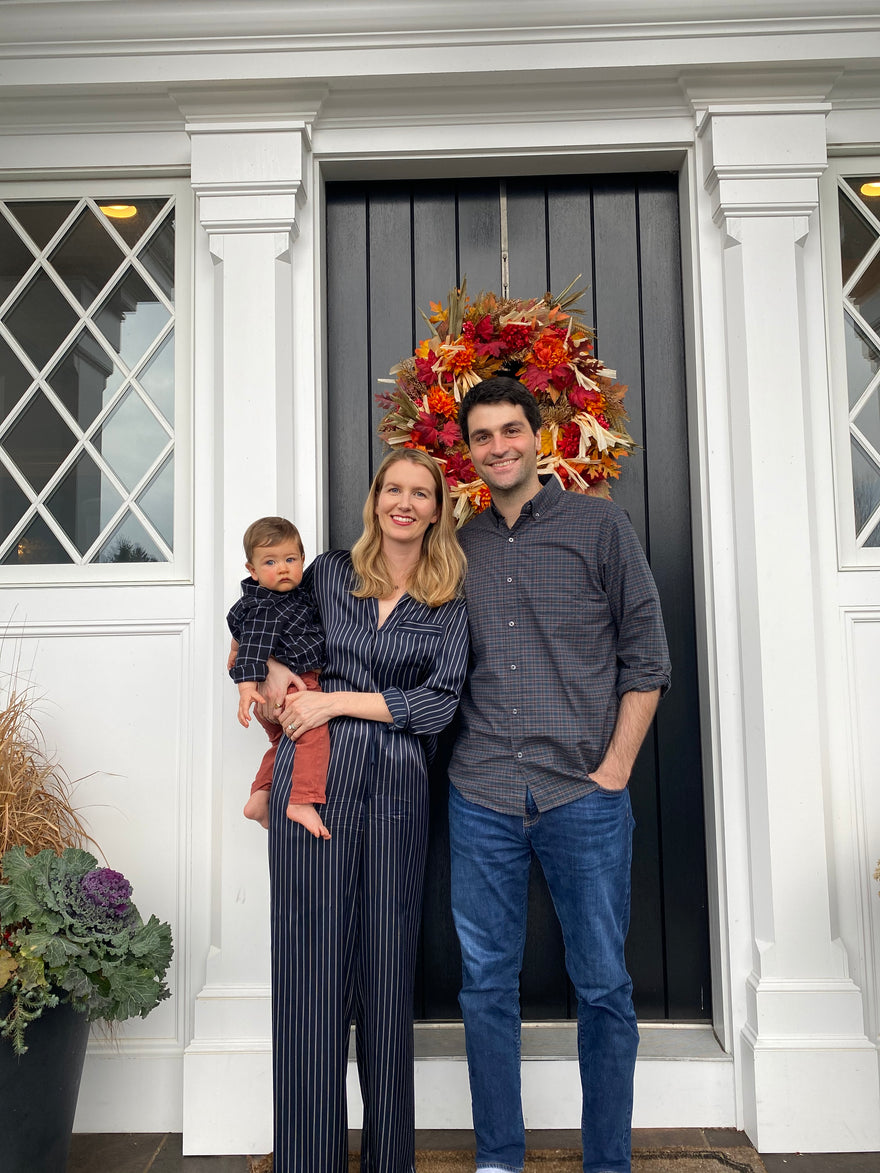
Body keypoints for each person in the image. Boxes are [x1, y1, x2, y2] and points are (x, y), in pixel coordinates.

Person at [447, 376, 671, 1173]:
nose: (499, 446)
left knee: (605, 985)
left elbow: (647, 657)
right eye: (483, 436)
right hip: (482, 795)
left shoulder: (600, 525)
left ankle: (607, 1162)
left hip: (584, 795)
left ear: (539, 436)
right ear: (467, 450)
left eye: (512, 430)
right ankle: (499, 1157)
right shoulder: (459, 543)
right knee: (484, 987)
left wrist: (616, 766)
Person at [259, 447, 469, 1173]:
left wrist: (339, 699)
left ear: (439, 508)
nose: (404, 502)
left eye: (420, 492)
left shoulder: (448, 598)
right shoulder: (327, 573)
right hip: (311, 776)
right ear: (375, 497)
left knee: (386, 966)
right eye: (392, 488)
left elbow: (440, 702)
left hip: (399, 785)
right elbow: (271, 626)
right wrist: (270, 678)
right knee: (308, 963)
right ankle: (307, 1160)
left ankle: (389, 1161)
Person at [226, 516, 331, 839]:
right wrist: (247, 690)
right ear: (253, 570)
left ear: (302, 560)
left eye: (290, 559)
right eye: (270, 562)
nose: (283, 568)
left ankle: (260, 797)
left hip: (274, 694)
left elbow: (238, 638)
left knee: (283, 744)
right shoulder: (266, 607)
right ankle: (302, 801)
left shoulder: (284, 597)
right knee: (314, 735)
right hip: (293, 688)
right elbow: (251, 648)